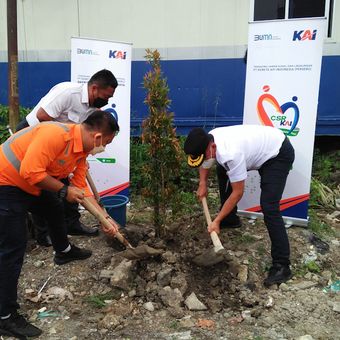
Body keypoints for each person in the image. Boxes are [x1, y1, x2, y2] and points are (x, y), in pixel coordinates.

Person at [0, 110, 120, 338]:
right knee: (13, 248)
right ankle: (5, 316)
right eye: (106, 142)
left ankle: (63, 251)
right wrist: (64, 190)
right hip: (6, 182)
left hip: (30, 184)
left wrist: (105, 220)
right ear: (97, 137)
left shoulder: (81, 151)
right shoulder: (55, 135)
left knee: (54, 207)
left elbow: (82, 191)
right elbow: (29, 171)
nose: (104, 147)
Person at [184, 125, 295, 287]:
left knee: (269, 206)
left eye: (204, 155)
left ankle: (282, 265)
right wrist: (202, 183)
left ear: (212, 147)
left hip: (277, 153)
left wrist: (216, 221)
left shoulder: (230, 154)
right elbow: (206, 162)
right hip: (259, 147)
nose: (205, 159)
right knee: (223, 172)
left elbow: (238, 192)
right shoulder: (209, 140)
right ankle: (230, 219)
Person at [17, 69, 118, 242]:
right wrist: (67, 140)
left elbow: (83, 133)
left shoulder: (93, 110)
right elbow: (42, 117)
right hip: (33, 136)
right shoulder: (67, 93)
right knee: (41, 183)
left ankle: (72, 224)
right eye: (106, 96)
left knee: (72, 184)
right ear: (94, 88)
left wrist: (104, 217)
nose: (107, 101)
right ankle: (43, 234)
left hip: (66, 145)